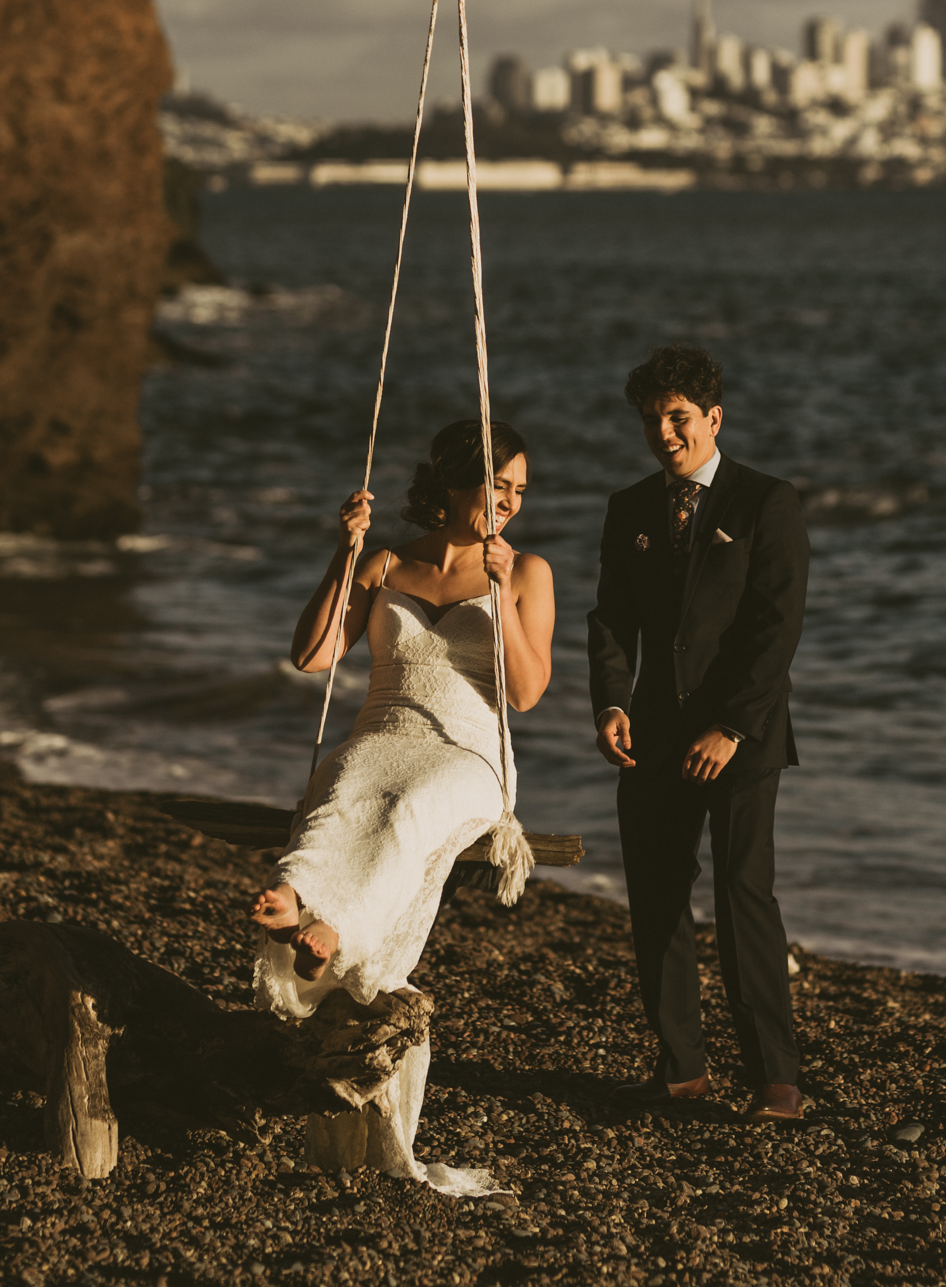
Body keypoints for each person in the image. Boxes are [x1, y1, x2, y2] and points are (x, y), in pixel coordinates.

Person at [251, 418, 554, 1019]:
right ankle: (293, 892)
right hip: (383, 733)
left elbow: (526, 693)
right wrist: (346, 553)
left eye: (519, 490)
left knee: (410, 802)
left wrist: (500, 593)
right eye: (498, 485)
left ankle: (338, 931)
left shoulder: (526, 572)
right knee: (346, 783)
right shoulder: (386, 565)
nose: (510, 502)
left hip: (468, 751)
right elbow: (312, 657)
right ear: (453, 485)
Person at [587, 343, 809, 1119]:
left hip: (741, 739)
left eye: (678, 418)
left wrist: (731, 729)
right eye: (652, 421)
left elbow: (775, 630)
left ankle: (776, 1079)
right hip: (650, 731)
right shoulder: (629, 509)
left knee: (743, 893)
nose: (665, 435)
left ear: (714, 418)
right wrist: (611, 702)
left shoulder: (766, 503)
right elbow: (612, 618)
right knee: (654, 896)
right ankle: (680, 1068)